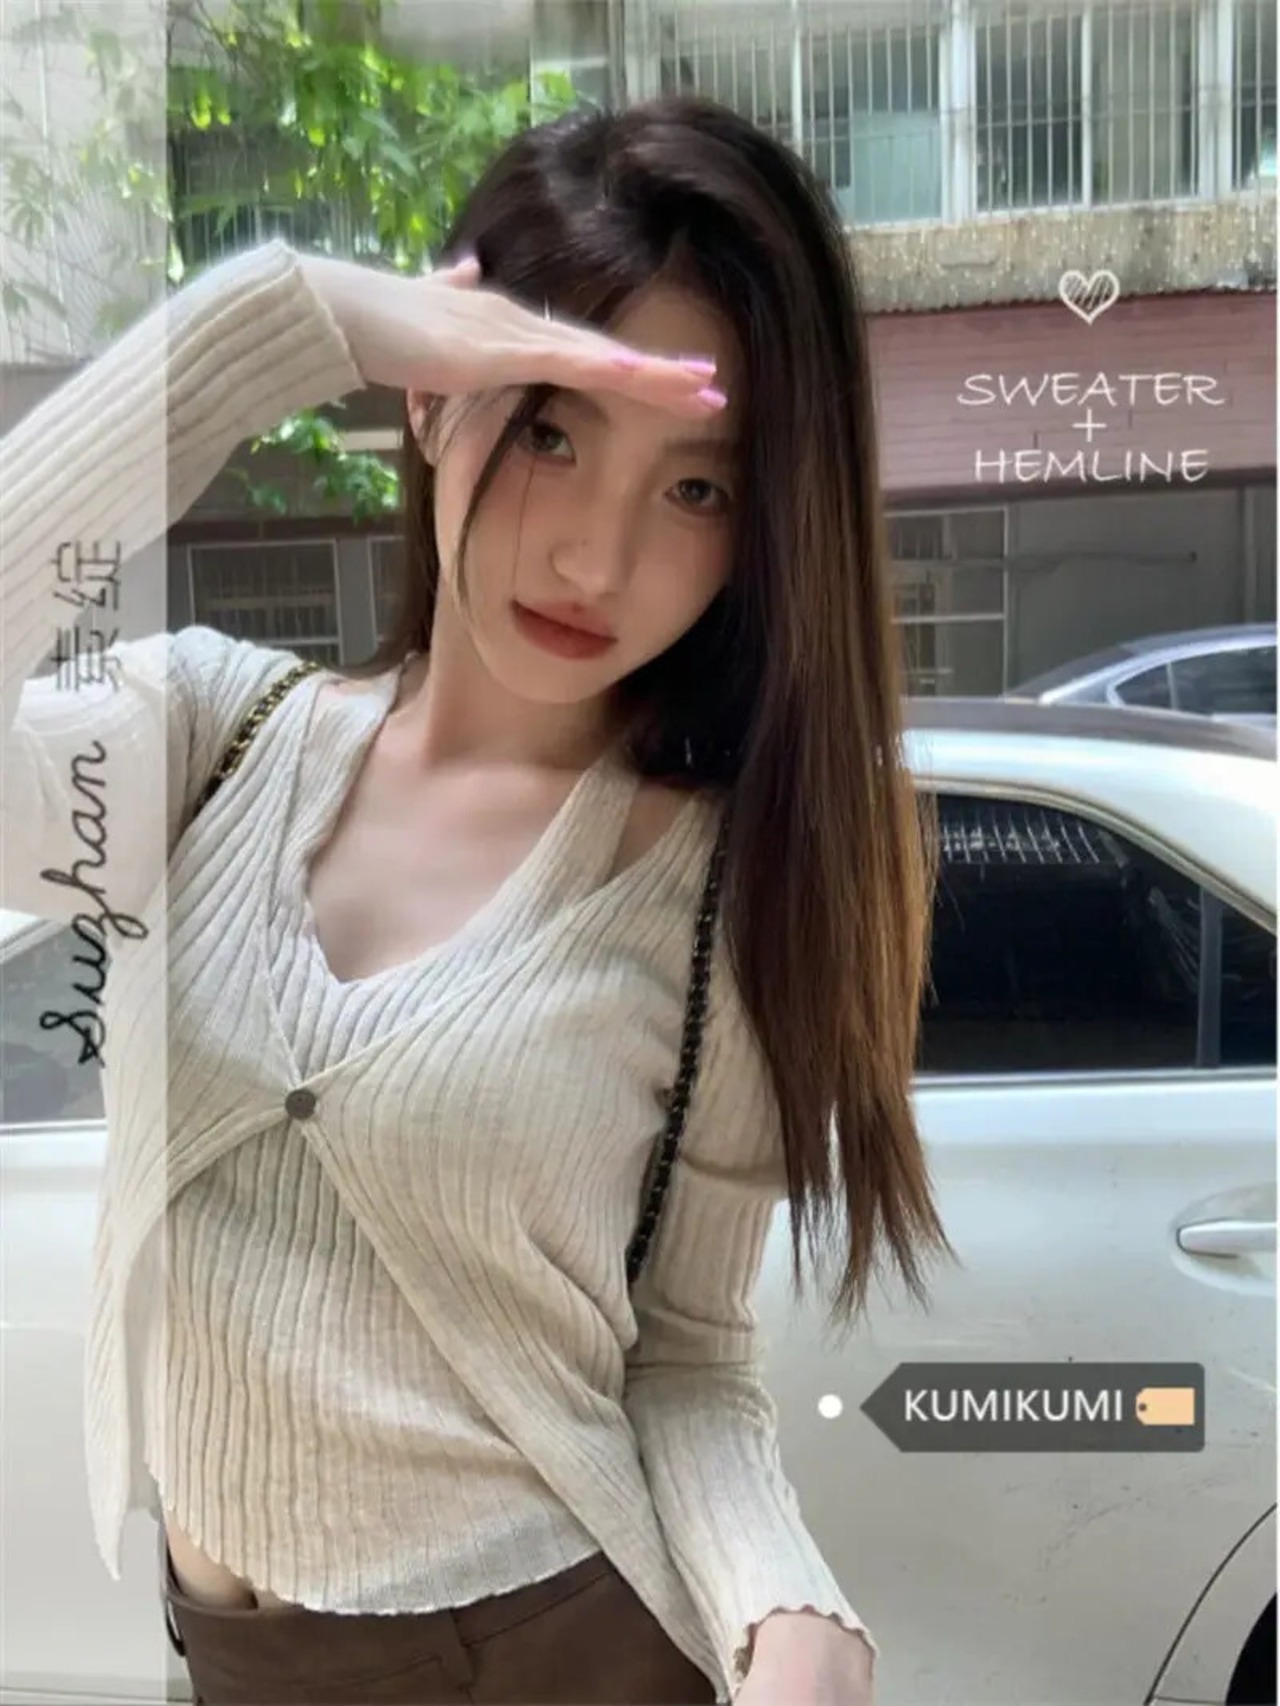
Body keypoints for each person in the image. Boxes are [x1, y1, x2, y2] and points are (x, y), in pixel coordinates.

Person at [0, 94, 952, 1704]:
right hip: (232, 1655)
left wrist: (791, 1618)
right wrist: (276, 319)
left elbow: (688, 1358)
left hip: (551, 1648)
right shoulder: (201, 742)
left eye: (699, 491)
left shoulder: (709, 889)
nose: (595, 557)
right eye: (554, 432)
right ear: (435, 398)